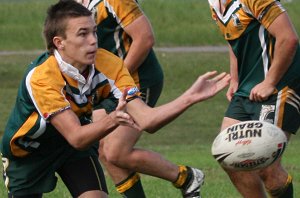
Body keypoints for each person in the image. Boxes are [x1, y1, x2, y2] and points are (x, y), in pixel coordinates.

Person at [0, 1, 231, 197]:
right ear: (59, 42)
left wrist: (189, 97)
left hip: (72, 151)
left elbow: (147, 120)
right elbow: (77, 137)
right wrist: (113, 120)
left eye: (94, 31)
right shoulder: (42, 78)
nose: (93, 40)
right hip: (28, 152)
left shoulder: (109, 63)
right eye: (83, 34)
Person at [74, 0, 206, 197]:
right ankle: (185, 178)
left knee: (115, 151)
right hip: (106, 86)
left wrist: (117, 78)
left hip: (137, 80)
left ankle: (186, 177)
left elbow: (144, 38)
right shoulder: (72, 3)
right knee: (103, 148)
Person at [208, 0, 300, 197]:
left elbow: (288, 38)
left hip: (280, 85)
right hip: (247, 89)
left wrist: (269, 82)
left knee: (265, 165)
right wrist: (235, 78)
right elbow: (232, 40)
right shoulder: (214, 3)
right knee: (229, 156)